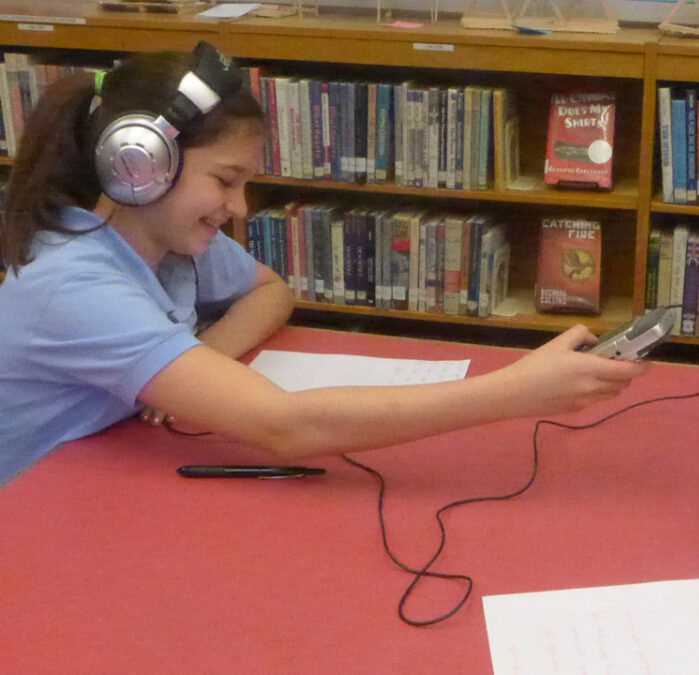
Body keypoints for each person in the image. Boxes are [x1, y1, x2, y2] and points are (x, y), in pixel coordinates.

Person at [0, 44, 647, 485]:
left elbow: (270, 290)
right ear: (139, 165)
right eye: (225, 179)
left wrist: (201, 360)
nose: (239, 208)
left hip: (97, 479)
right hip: (31, 526)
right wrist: (516, 391)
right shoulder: (74, 283)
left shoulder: (160, 239)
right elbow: (282, 426)